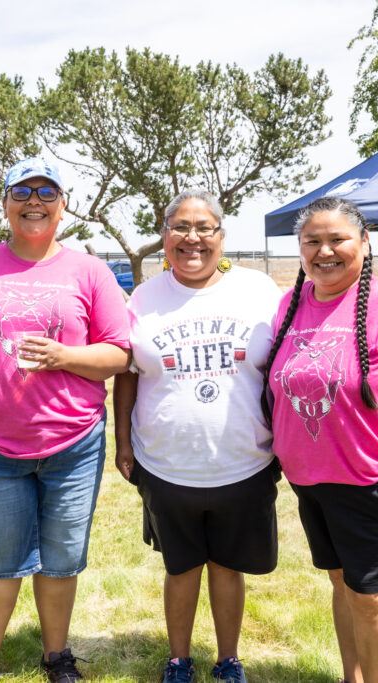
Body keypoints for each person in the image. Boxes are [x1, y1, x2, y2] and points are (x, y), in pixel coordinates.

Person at [0, 156, 131, 683]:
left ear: (63, 208)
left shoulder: (89, 270)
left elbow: (118, 355)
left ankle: (56, 657)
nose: (34, 202)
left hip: (73, 442)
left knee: (61, 560)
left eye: (46, 193)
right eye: (22, 192)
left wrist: (64, 357)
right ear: (5, 204)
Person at [263, 196, 378, 683]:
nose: (325, 251)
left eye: (338, 239)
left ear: (364, 243)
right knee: (341, 585)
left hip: (370, 481)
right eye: (312, 242)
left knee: (369, 598)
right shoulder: (291, 303)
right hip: (310, 480)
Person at [114, 189, 283, 683]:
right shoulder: (143, 297)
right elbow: (126, 372)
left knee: (227, 567)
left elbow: (284, 366)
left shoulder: (258, 291)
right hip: (167, 464)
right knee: (180, 568)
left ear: (221, 237)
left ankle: (228, 660)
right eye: (180, 227)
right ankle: (178, 660)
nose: (192, 238)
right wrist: (123, 443)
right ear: (165, 235)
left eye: (204, 228)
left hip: (244, 462)